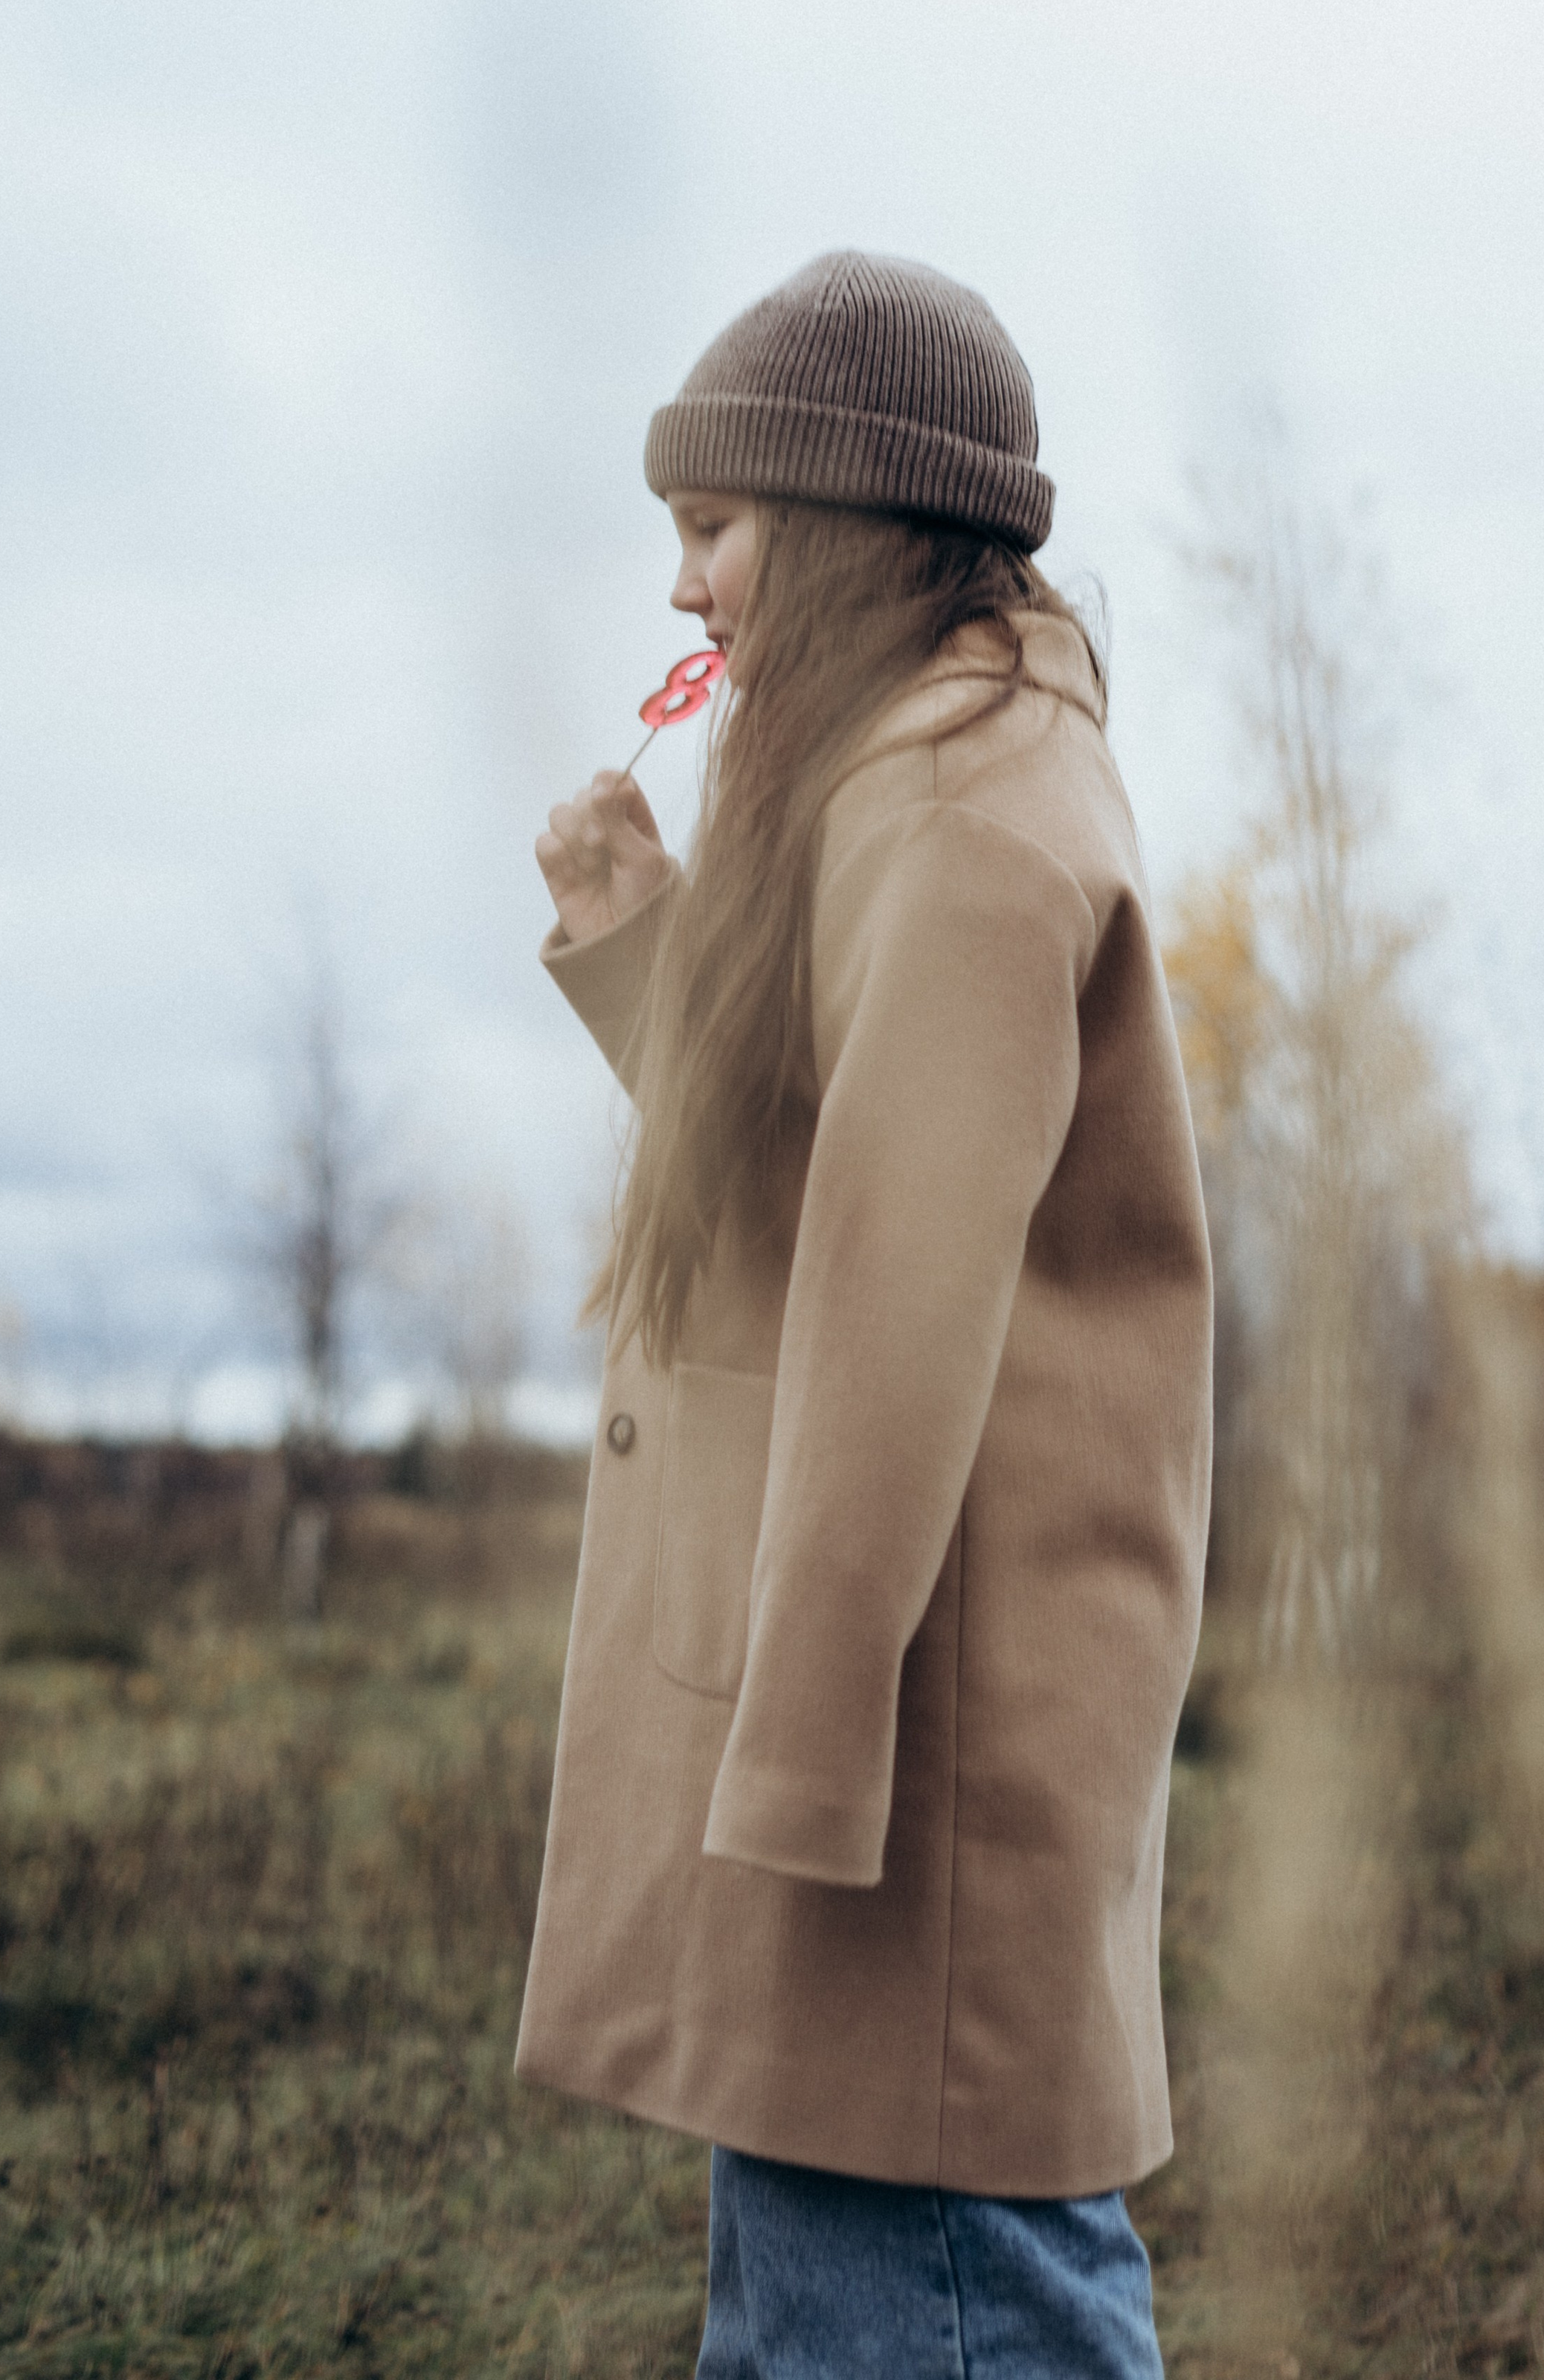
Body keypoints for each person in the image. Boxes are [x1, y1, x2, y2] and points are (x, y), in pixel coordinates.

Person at [518, 251, 1213, 2379]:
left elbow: (897, 1319)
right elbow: (852, 1191)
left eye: (710, 529)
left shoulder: (955, 800)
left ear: (832, 520)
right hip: (889, 1746)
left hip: (899, 1766)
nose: (682, 591)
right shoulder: (929, 771)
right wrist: (656, 956)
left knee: (924, 2311)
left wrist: (796, 1776)